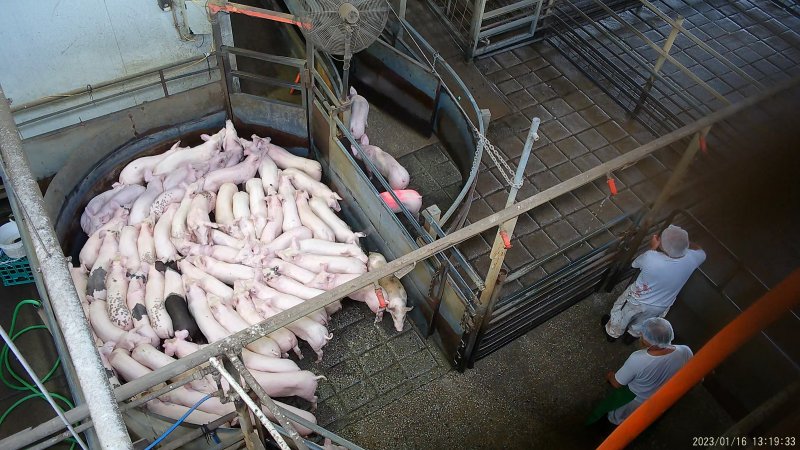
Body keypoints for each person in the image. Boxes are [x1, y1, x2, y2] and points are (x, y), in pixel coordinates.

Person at [602, 224, 705, 344]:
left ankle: (612, 334)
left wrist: (652, 248)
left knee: (622, 315)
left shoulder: (651, 257)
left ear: (662, 245)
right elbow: (701, 250)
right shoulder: (693, 258)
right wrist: (681, 242)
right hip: (661, 305)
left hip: (636, 300)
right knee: (643, 322)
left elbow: (634, 264)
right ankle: (631, 337)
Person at [586, 318, 693, 426]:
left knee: (618, 416)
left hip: (636, 398)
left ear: (653, 343)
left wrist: (610, 376)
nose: (641, 336)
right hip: (662, 397)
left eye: (643, 335)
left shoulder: (638, 359)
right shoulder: (685, 351)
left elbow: (616, 383)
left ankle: (610, 425)